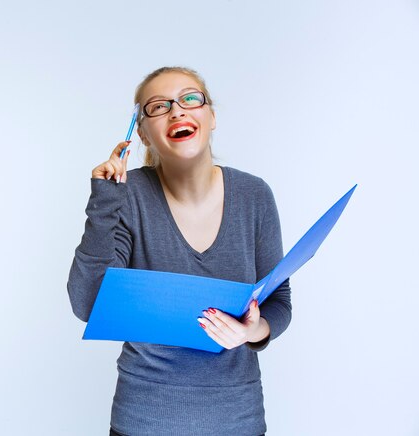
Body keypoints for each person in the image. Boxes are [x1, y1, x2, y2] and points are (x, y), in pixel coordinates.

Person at [67, 66, 292, 436]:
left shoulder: (255, 195)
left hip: (238, 421)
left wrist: (254, 331)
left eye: (190, 98)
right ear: (141, 133)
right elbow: (88, 305)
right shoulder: (127, 195)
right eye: (158, 107)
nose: (177, 111)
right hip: (143, 422)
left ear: (211, 115)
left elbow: (278, 299)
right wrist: (104, 203)